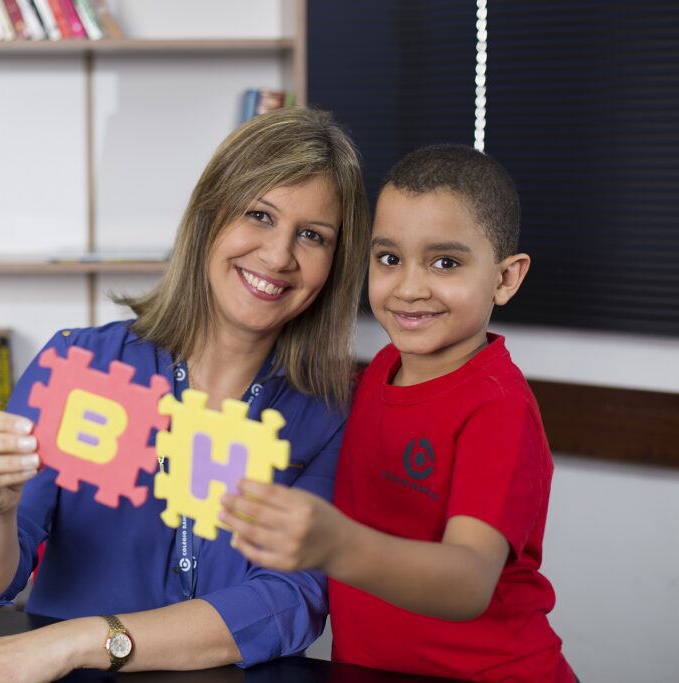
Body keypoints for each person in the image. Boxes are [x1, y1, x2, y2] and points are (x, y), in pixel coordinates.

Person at [0, 107, 370, 683]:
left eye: (312, 236)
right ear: (209, 217)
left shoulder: (334, 410)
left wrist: (82, 640)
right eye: (258, 215)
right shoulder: (80, 365)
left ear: (335, 264)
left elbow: (292, 600)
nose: (279, 255)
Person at [221, 144, 577, 682]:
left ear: (506, 278)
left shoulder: (498, 408)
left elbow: (469, 580)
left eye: (445, 262)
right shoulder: (382, 368)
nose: (409, 288)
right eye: (389, 258)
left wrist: (337, 545)